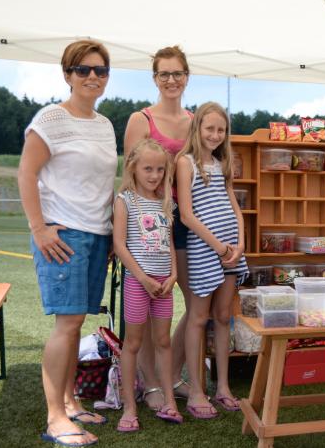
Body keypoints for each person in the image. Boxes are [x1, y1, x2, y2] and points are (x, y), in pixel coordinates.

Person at [18, 39, 117, 447]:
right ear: (67, 74)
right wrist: (40, 229)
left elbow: (104, 183)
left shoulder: (105, 124)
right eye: (83, 70)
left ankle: (71, 401)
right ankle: (56, 417)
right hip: (63, 234)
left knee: (76, 325)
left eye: (100, 70)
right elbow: (26, 174)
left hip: (97, 235)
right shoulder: (50, 119)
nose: (92, 76)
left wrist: (111, 233)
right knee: (67, 325)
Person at [123, 45, 195, 409]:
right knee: (149, 299)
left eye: (177, 73)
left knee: (196, 306)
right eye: (164, 74)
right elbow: (130, 177)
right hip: (148, 227)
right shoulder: (141, 119)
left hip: (186, 221)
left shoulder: (194, 121)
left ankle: (172, 373)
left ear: (187, 76)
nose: (171, 80)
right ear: (155, 78)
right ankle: (151, 384)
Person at [175, 101, 248, 418]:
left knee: (222, 317)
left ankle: (223, 388)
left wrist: (240, 243)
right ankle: (195, 391)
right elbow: (188, 216)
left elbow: (235, 208)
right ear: (197, 128)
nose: (215, 135)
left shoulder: (223, 163)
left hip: (231, 250)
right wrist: (219, 246)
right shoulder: (185, 163)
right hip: (206, 250)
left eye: (221, 130)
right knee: (198, 316)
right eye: (210, 129)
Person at [112, 139, 183, 432]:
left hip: (164, 285)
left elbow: (169, 244)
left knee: (163, 342)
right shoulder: (125, 200)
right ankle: (130, 407)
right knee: (133, 343)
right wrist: (142, 278)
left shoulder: (167, 202)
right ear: (133, 167)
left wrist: (174, 275)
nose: (154, 175)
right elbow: (119, 245)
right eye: (148, 169)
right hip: (138, 285)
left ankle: (170, 400)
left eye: (160, 170)